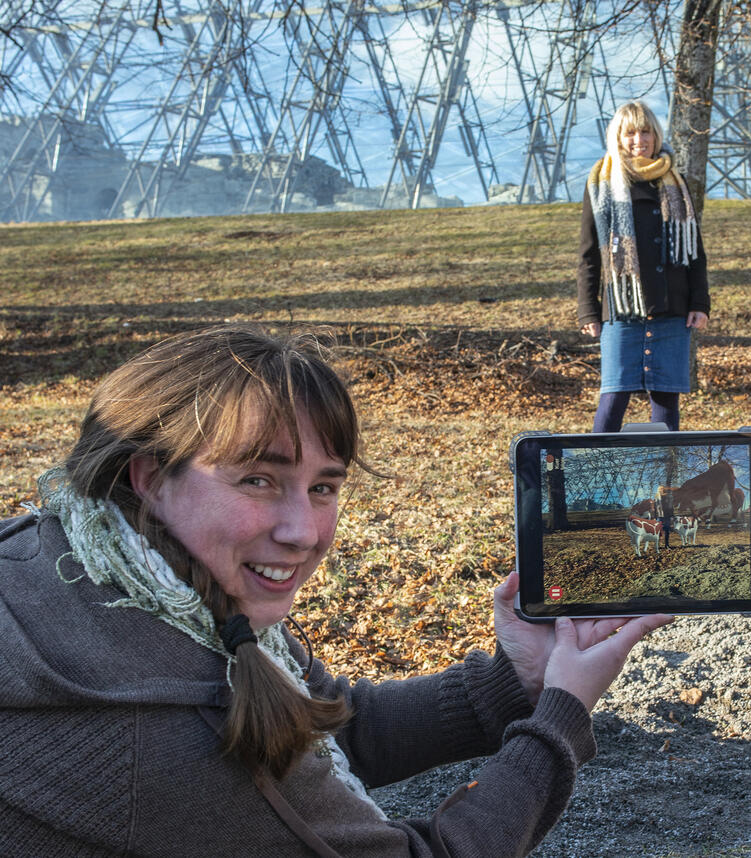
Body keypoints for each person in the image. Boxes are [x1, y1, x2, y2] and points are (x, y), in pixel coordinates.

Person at [0, 324, 672, 857]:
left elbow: (323, 723)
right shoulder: (164, 722)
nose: (304, 532)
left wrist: (513, 682)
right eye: (258, 479)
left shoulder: (98, 563)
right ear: (149, 475)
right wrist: (558, 716)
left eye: (324, 486)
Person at [577, 100, 710, 433]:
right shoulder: (601, 184)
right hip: (622, 309)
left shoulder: (675, 182)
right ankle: (596, 474)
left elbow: (695, 251)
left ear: (656, 134)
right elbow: (589, 252)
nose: (640, 139)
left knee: (666, 402)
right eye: (631, 132)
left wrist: (699, 304)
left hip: (672, 309)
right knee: (613, 397)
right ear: (619, 137)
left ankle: (663, 480)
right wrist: (588, 311)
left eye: (646, 131)